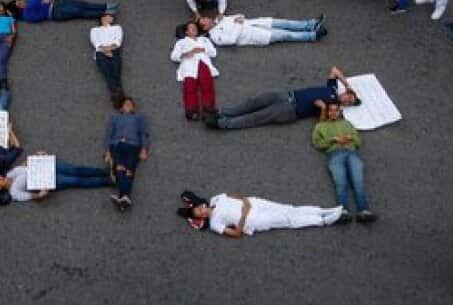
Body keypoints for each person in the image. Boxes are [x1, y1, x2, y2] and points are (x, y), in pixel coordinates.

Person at [205, 66, 359, 130]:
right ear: (346, 93)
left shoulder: (335, 108)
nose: (346, 100)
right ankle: (222, 111)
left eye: (349, 103)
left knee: (256, 117)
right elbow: (334, 70)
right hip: (287, 94)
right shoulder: (332, 88)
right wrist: (347, 85)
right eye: (349, 97)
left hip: (290, 110)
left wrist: (323, 108)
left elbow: (322, 125)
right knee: (252, 102)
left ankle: (222, 123)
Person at [313, 102, 374, 224]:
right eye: (331, 110)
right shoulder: (320, 126)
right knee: (341, 184)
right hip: (334, 155)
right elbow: (317, 144)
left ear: (339, 112)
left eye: (336, 110)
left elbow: (358, 141)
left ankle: (364, 211)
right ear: (328, 112)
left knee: (358, 182)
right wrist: (333, 139)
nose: (333, 112)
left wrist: (350, 138)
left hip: (352, 154)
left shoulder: (347, 123)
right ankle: (342, 212)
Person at [177, 191, 342, 237]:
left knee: (290, 208)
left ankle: (324, 210)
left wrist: (245, 200)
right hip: (253, 220)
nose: (202, 211)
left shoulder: (216, 199)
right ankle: (323, 221)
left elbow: (232, 194)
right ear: (201, 218)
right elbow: (236, 233)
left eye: (199, 209)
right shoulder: (214, 224)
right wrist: (243, 215)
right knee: (288, 221)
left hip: (255, 202)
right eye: (199, 214)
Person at [0, 156, 114, 203]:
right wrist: (40, 195)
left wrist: (36, 156)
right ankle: (107, 181)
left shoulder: (10, 174)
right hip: (47, 180)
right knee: (76, 180)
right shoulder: (14, 192)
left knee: (76, 169)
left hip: (47, 166)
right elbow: (28, 196)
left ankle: (104, 171)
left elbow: (24, 166)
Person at [105, 96, 149, 210]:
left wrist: (144, 149)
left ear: (134, 107)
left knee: (129, 171)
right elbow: (109, 135)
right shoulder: (115, 118)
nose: (128, 105)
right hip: (117, 144)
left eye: (130, 104)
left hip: (133, 145)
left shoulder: (138, 118)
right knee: (120, 168)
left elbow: (143, 134)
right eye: (126, 104)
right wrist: (108, 152)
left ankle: (122, 198)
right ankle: (125, 197)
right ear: (121, 108)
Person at [170, 21, 218, 121]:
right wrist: (187, 53)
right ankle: (191, 110)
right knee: (190, 87)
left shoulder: (204, 40)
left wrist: (203, 50)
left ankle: (208, 108)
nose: (194, 29)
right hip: (189, 64)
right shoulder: (181, 42)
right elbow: (174, 56)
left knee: (207, 84)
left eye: (195, 27)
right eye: (191, 28)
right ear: (187, 32)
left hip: (203, 62)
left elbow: (213, 53)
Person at [7, 0, 119, 23]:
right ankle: (105, 13)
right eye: (19, 4)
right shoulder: (26, 15)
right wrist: (44, 4)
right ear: (18, 9)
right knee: (80, 12)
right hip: (56, 12)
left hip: (58, 1)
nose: (21, 2)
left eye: (19, 0)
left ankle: (106, 6)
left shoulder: (29, 0)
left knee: (83, 4)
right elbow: (39, 16)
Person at [91, 12, 124, 105]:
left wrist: (109, 49)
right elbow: (95, 42)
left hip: (114, 50)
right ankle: (120, 95)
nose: (112, 18)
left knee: (116, 73)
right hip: (101, 52)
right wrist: (105, 50)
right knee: (107, 74)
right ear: (103, 17)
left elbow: (118, 41)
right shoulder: (95, 30)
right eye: (110, 16)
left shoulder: (117, 28)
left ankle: (117, 96)